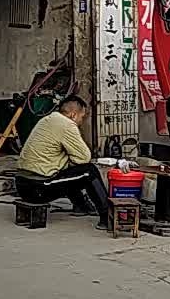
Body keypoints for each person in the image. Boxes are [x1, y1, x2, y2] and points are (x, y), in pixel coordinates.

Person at [15, 95, 111, 227]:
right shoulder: (67, 125)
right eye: (82, 117)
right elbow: (84, 158)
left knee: (69, 171)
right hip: (38, 188)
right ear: (73, 115)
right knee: (89, 171)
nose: (81, 122)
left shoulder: (47, 120)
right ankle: (107, 216)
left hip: (22, 184)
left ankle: (81, 206)